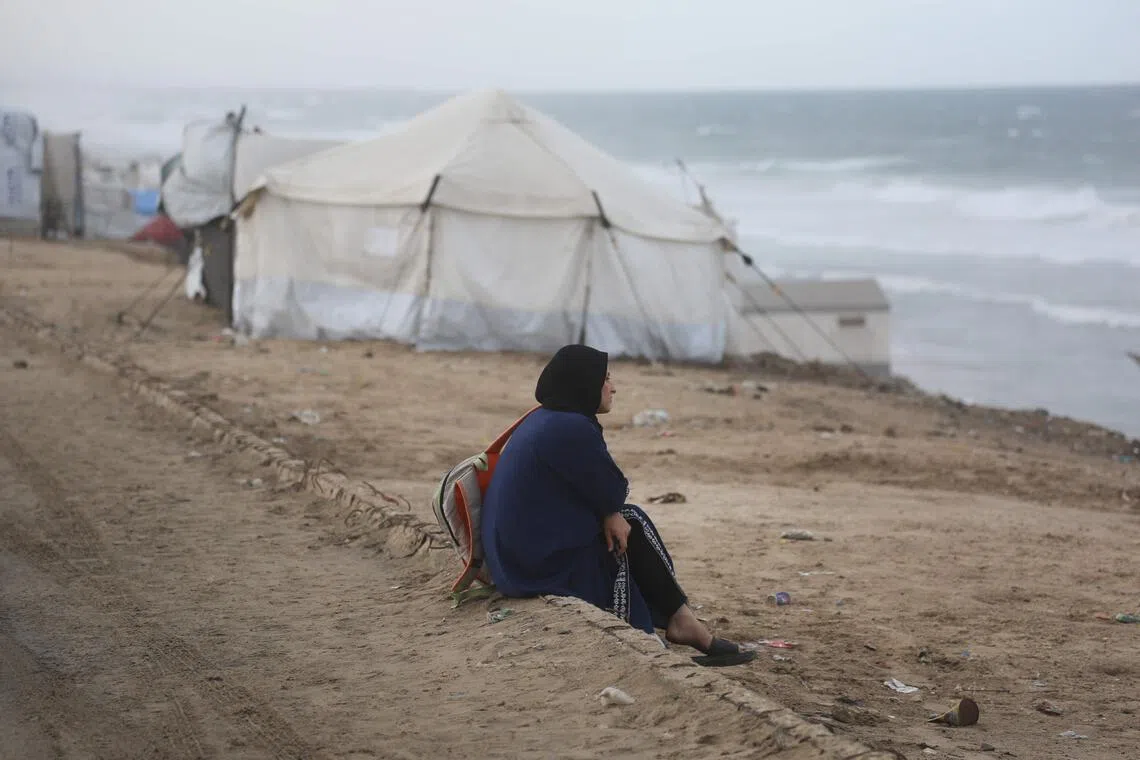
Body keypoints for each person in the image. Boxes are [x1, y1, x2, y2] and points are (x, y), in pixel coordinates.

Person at [481, 344, 755, 667]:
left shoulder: (548, 418)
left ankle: (682, 622)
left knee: (628, 520)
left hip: (513, 558)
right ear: (584, 384)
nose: (613, 387)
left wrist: (609, 510)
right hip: (531, 568)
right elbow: (613, 486)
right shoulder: (571, 429)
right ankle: (653, 641)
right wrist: (610, 510)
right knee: (620, 542)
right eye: (605, 379)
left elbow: (600, 490)